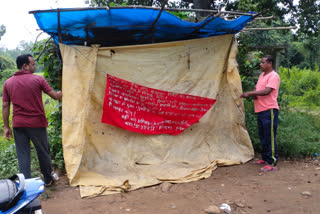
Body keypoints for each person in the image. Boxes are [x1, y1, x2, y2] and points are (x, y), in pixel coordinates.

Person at [2, 54, 62, 186]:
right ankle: (48, 179)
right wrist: (63, 91)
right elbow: (55, 96)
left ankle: (26, 185)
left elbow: (5, 105)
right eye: (33, 64)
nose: (35, 66)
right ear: (25, 66)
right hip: (37, 124)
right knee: (43, 152)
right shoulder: (38, 80)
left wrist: (6, 127)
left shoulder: (8, 83)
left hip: (18, 125)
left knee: (23, 155)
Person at [240, 55, 280, 172]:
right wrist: (254, 95)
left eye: (263, 63)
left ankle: (272, 162)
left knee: (270, 137)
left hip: (269, 110)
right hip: (260, 109)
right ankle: (264, 158)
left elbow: (267, 91)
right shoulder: (262, 75)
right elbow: (259, 90)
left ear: (270, 64)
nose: (260, 64)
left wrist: (250, 93)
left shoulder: (274, 76)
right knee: (262, 136)